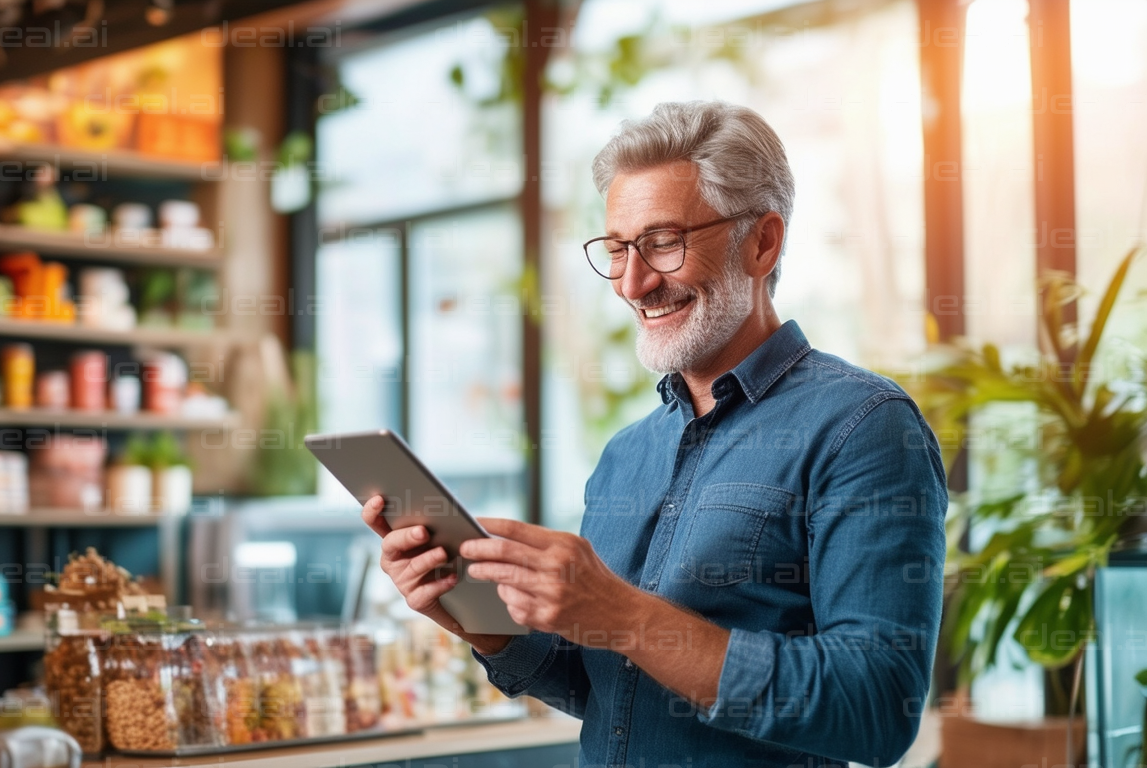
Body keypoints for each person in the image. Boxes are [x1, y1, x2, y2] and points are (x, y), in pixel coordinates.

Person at [361, 100, 947, 768]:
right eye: (616, 249)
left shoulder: (862, 428)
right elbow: (604, 690)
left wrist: (624, 615)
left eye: (664, 242)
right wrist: (475, 618)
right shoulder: (625, 454)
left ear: (762, 242)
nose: (633, 282)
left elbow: (875, 710)